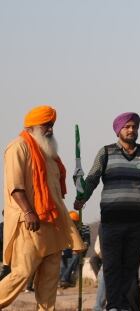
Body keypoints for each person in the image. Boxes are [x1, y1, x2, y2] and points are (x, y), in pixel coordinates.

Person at [74, 112, 140, 311]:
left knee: (130, 268)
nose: (131, 130)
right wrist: (82, 198)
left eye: (134, 126)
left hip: (136, 224)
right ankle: (114, 306)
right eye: (127, 127)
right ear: (118, 130)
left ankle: (130, 307)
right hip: (111, 223)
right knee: (111, 268)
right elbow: (92, 179)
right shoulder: (106, 153)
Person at [0, 106, 86, 310]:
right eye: (46, 125)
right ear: (31, 127)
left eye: (52, 125)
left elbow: (55, 192)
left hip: (53, 225)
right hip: (30, 225)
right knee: (21, 273)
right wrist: (29, 212)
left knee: (49, 281)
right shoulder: (18, 147)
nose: (50, 129)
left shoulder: (49, 153)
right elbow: (15, 186)